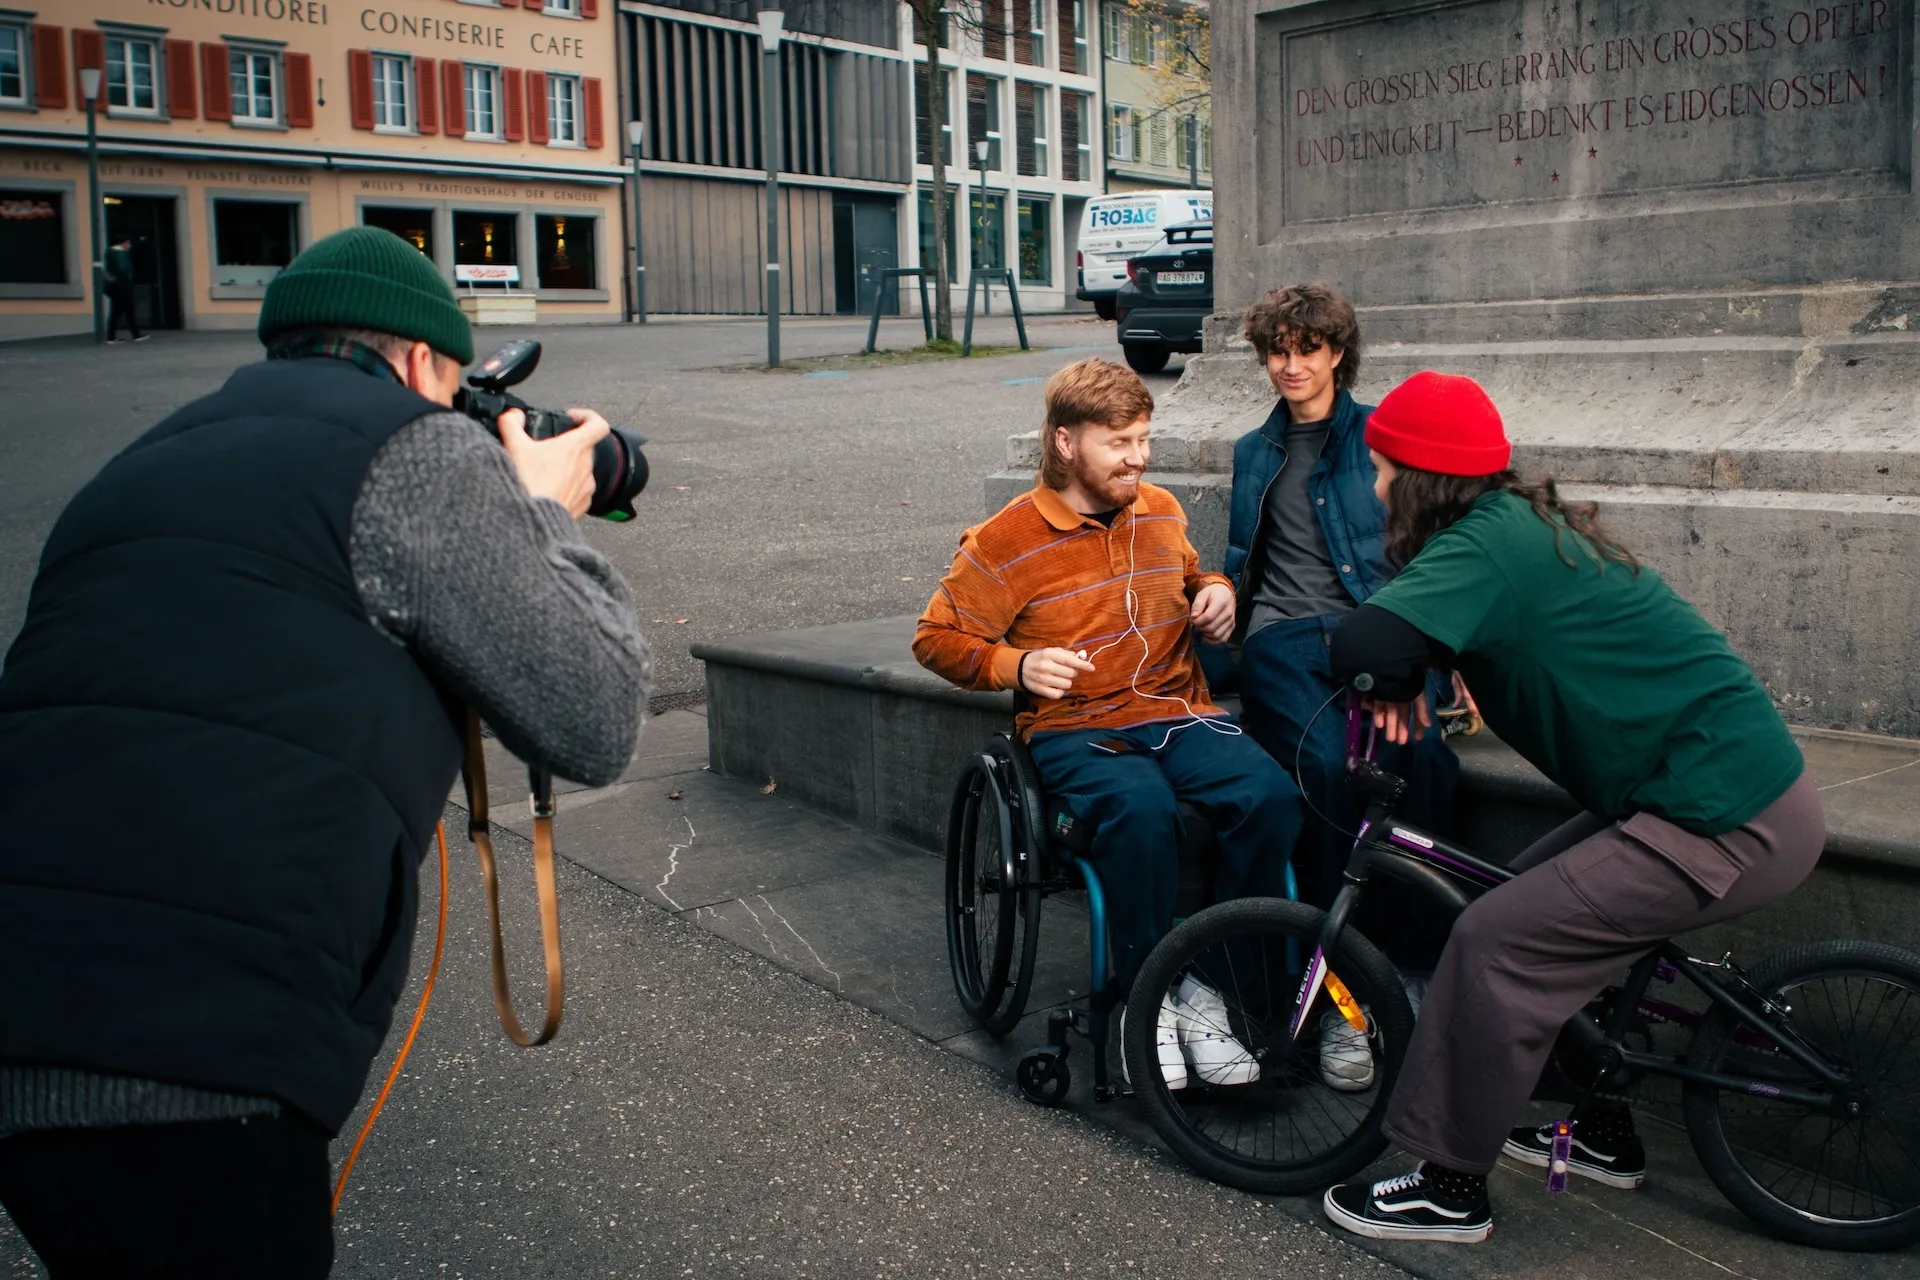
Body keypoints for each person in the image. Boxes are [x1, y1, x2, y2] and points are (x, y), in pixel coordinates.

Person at [0, 226, 653, 1276]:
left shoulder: (141, 461)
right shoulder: (414, 450)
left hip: (31, 1025)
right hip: (196, 1048)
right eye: (448, 386)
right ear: (414, 363)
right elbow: (597, 711)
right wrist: (542, 508)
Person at [1319, 371, 1823, 1244]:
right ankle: (1598, 1129)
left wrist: (1397, 676)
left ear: (1424, 477)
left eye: (1381, 467)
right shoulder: (1512, 525)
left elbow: (1361, 641)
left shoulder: (1486, 546)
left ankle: (1447, 1187)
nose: (1373, 488)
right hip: (1709, 791)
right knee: (1514, 896)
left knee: (1495, 938)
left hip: (1721, 815)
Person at [914, 357, 1302, 1089]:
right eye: (1119, 443)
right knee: (1140, 812)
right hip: (1076, 726)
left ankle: (1204, 992)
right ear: (1065, 443)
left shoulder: (1159, 509)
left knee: (1272, 798)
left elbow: (1191, 573)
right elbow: (934, 639)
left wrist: (1214, 592)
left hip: (1175, 709)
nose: (1139, 458)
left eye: (1143, 439)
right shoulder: (1005, 541)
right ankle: (1137, 1002)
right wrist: (1016, 668)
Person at [1216, 284, 1461, 1089]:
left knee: (1418, 760)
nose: (1291, 366)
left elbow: (1430, 551)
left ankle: (1414, 970)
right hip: (1283, 638)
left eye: (1307, 349)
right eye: (1276, 351)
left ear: (1336, 353)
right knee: (1325, 770)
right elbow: (1240, 561)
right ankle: (1339, 1004)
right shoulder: (1256, 450)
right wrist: (1216, 594)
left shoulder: (1383, 437)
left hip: (1377, 628)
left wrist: (1450, 659)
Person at [104, 235, 146, 344]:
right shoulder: (119, 253)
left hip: (116, 286)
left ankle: (113, 336)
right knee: (125, 310)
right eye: (129, 243)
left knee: (119, 311)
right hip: (123, 285)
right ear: (124, 243)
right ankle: (134, 335)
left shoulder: (109, 252)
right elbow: (125, 267)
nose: (130, 246)